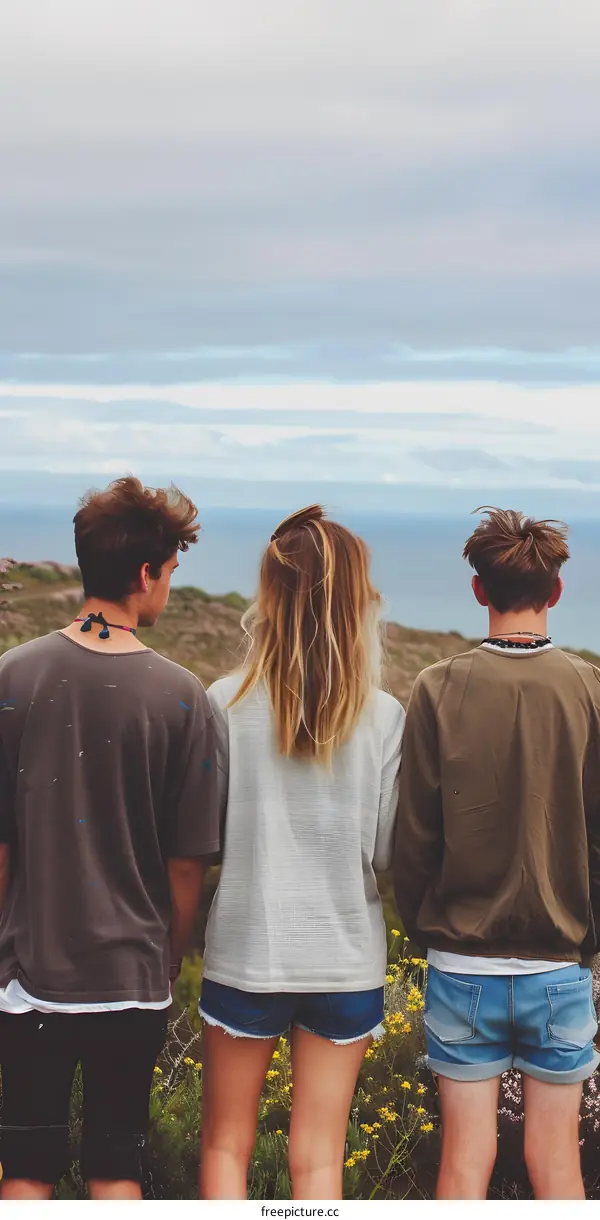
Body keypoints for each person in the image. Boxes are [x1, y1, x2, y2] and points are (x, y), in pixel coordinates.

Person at [0, 477, 219, 1201]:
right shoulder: (185, 697)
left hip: (29, 979)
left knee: (24, 1174)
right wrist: (166, 961)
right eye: (171, 574)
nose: (168, 592)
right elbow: (187, 866)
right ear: (144, 574)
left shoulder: (14, 677)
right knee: (116, 1173)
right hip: (131, 982)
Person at [197, 505, 404, 1200]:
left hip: (247, 951)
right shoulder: (382, 715)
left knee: (227, 1143)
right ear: (356, 602)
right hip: (345, 960)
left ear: (270, 595)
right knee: (319, 1160)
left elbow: (209, 839)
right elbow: (383, 852)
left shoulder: (223, 701)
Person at [393, 507, 600, 1201]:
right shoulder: (590, 690)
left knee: (462, 1163)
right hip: (560, 965)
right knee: (559, 1164)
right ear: (558, 592)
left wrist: (425, 928)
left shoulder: (435, 687)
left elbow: (414, 835)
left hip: (461, 966)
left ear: (479, 591)